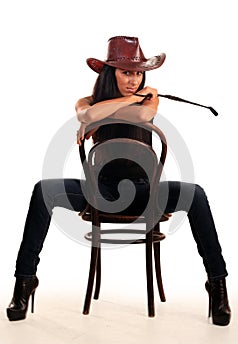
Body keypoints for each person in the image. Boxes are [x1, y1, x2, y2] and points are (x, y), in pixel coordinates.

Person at [7, 35, 231, 326]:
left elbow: (139, 114)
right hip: (99, 192)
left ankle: (217, 284)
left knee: (196, 194)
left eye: (138, 74)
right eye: (126, 72)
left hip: (146, 194)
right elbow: (86, 111)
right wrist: (101, 112)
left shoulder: (148, 100)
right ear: (109, 74)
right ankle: (24, 282)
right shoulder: (92, 100)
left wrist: (98, 117)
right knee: (43, 190)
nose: (134, 80)